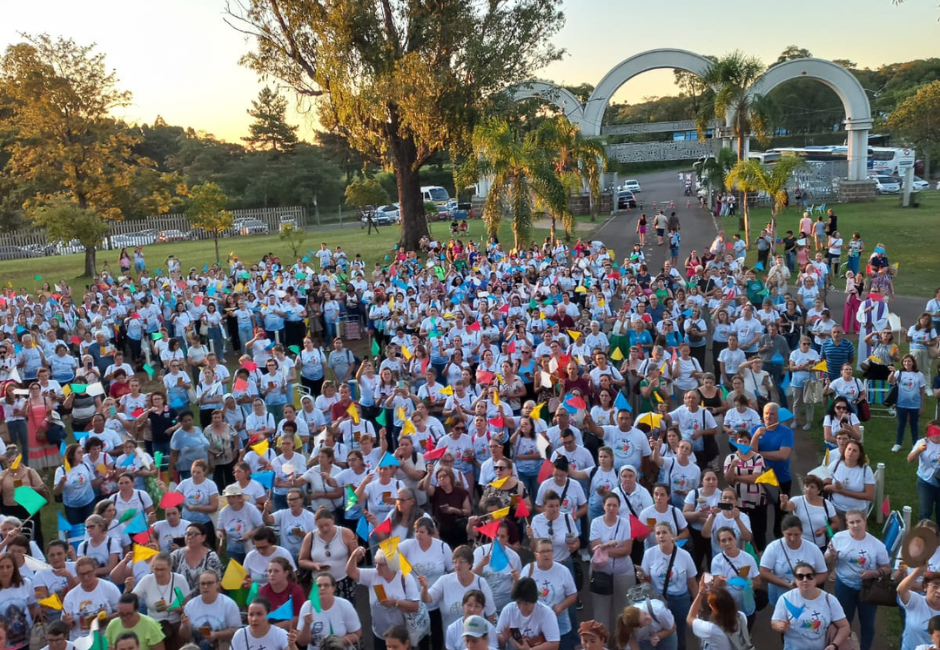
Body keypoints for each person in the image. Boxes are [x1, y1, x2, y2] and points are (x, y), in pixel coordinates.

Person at [825, 509, 890, 650]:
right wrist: (832, 555)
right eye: (852, 522)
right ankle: (842, 647)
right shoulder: (838, 538)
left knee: (867, 623)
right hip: (844, 586)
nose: (855, 525)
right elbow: (826, 559)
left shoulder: (876, 545)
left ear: (864, 521)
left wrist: (873, 573)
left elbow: (887, 568)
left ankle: (865, 647)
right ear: (847, 524)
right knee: (842, 621)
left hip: (867, 590)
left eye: (858, 521)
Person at [345, 547, 420, 650]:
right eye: (376, 563)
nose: (377, 567)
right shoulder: (373, 575)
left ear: (391, 565)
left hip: (401, 637)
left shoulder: (405, 578)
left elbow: (415, 606)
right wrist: (354, 555)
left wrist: (395, 602)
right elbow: (350, 572)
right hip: (380, 635)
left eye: (381, 564)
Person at [640, 522, 697, 650]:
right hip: (659, 600)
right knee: (659, 633)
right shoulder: (649, 554)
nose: (661, 536)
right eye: (658, 533)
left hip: (680, 600)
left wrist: (697, 603)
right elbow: (646, 582)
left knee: (680, 634)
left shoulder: (684, 555)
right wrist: (641, 577)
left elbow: (692, 583)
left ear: (672, 535)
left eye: (664, 532)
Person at [771, 561, 850, 650]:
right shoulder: (785, 598)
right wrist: (780, 626)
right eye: (800, 576)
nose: (805, 580)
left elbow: (844, 626)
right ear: (795, 580)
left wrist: (834, 645)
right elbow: (774, 623)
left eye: (809, 576)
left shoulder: (829, 599)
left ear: (815, 578)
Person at [588, 493, 634, 633]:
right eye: (609, 505)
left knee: (624, 610)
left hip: (623, 572)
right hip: (601, 572)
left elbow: (627, 550)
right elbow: (594, 547)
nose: (611, 508)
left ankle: (623, 643)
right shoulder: (596, 522)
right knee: (601, 611)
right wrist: (612, 546)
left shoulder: (625, 523)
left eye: (615, 505)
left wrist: (604, 548)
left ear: (619, 508)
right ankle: (602, 644)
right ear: (603, 506)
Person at [759, 515, 828, 607]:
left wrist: (807, 583)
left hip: (806, 592)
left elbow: (823, 573)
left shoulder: (813, 548)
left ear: (801, 532)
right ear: (783, 532)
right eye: (789, 534)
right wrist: (786, 585)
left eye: (796, 535)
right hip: (780, 592)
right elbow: (764, 572)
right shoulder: (773, 547)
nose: (793, 538)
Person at [750, 402, 793, 538]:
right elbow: (750, 453)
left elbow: (783, 455)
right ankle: (760, 541)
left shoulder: (786, 432)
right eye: (766, 413)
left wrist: (761, 454)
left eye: (772, 414)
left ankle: (780, 538)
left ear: (778, 416)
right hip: (761, 479)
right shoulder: (755, 430)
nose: (768, 416)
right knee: (759, 512)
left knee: (781, 512)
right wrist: (756, 436)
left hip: (781, 478)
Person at [131, 552, 190, 650]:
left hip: (174, 626)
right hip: (152, 626)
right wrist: (128, 590)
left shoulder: (179, 580)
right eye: (156, 569)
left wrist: (175, 608)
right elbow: (132, 599)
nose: (159, 573)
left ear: (170, 567)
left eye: (162, 569)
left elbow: (187, 606)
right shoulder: (147, 580)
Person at [297, 573, 362, 650]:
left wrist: (339, 641)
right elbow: (301, 642)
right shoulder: (307, 606)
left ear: (333, 588)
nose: (322, 588)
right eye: (319, 586)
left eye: (326, 585)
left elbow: (357, 634)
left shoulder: (345, 605)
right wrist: (306, 625)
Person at [62, 556, 121, 640]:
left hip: (105, 639)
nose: (86, 577)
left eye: (88, 573)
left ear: (95, 569)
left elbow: (121, 613)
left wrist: (105, 619)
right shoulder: (71, 596)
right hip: (81, 641)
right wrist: (67, 623)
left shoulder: (109, 588)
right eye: (82, 574)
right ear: (77, 574)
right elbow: (67, 628)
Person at [178, 570, 241, 650]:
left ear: (217, 584)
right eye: (203, 584)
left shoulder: (229, 604)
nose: (205, 587)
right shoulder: (190, 605)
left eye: (210, 583)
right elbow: (184, 636)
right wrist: (185, 626)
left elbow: (236, 631)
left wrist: (216, 635)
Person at [494, 578, 560, 650]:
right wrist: (504, 639)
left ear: (534, 601)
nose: (521, 608)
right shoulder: (508, 610)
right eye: (518, 603)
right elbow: (497, 639)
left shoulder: (547, 613)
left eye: (526, 604)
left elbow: (554, 644)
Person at [686, 578, 752, 650]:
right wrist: (717, 590)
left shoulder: (712, 630)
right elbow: (723, 600)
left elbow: (690, 618)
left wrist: (700, 593)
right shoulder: (741, 617)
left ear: (715, 609)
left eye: (710, 604)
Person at [780, 475, 840, 551]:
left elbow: (836, 523)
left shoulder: (827, 504)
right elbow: (785, 508)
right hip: (800, 543)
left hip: (820, 545)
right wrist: (784, 502)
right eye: (807, 486)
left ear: (818, 490)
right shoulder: (797, 500)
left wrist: (824, 530)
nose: (808, 489)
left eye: (812, 487)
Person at [890, 354, 928, 452]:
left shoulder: (919, 375)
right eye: (905, 361)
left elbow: (922, 391)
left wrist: (922, 406)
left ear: (913, 362)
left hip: (914, 404)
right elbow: (890, 380)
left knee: (914, 425)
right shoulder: (899, 373)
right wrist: (893, 372)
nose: (907, 363)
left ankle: (915, 444)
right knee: (901, 424)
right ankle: (898, 443)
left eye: (909, 361)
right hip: (901, 403)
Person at [170, 524, 223, 593]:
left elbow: (217, 582)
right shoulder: (176, 555)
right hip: (179, 598)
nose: (190, 537)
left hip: (205, 597)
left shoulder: (211, 557)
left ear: (203, 538)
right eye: (188, 534)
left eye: (194, 534)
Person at [228, 599, 299, 650]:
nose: (254, 619)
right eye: (251, 614)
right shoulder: (240, 635)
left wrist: (292, 645)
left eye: (259, 614)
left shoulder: (279, 634)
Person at [898, 567, 940, 650]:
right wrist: (918, 570)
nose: (939, 591)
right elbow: (901, 590)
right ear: (925, 587)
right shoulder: (916, 601)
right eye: (935, 586)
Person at [909, 422, 940, 523]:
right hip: (925, 482)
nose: (936, 434)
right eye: (933, 431)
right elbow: (909, 459)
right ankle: (923, 535)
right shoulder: (922, 442)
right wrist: (919, 450)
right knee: (925, 511)